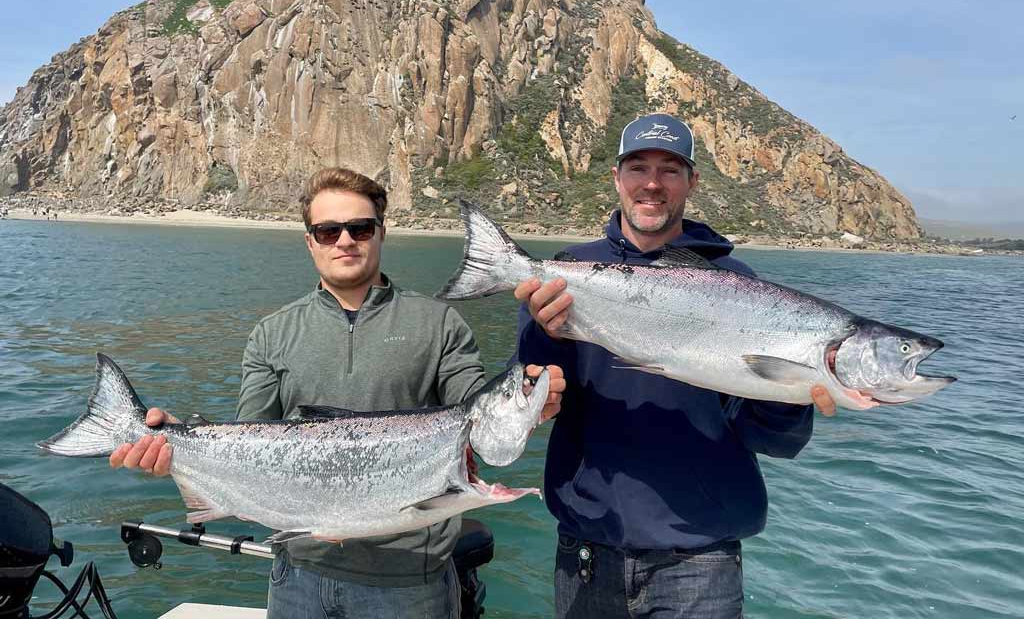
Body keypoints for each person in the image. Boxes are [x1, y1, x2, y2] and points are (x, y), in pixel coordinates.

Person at [110, 167, 565, 618]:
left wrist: (529, 403)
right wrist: (174, 442)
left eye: (359, 227)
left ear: (381, 234)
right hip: (296, 577)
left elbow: (478, 419)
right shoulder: (272, 333)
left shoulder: (441, 324)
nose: (345, 240)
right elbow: (247, 435)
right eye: (328, 231)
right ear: (310, 241)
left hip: (410, 582)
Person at [514, 114, 837, 619]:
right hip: (586, 549)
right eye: (638, 167)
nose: (651, 183)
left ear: (691, 182)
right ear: (616, 179)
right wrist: (542, 334)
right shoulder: (567, 276)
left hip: (701, 559)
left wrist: (791, 395)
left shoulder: (741, 287)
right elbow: (532, 403)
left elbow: (773, 441)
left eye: (669, 169)